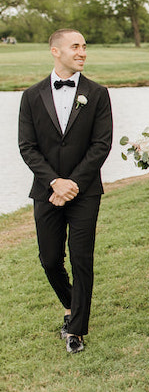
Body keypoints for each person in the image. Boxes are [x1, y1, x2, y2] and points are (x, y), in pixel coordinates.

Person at [18, 29, 113, 354]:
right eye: (76, 47)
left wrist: (72, 183)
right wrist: (54, 183)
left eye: (85, 46)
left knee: (81, 258)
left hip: (85, 191)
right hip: (46, 191)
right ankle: (72, 304)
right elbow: (27, 147)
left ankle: (76, 329)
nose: (83, 52)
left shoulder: (97, 93)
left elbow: (102, 144)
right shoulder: (31, 95)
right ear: (55, 51)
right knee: (49, 259)